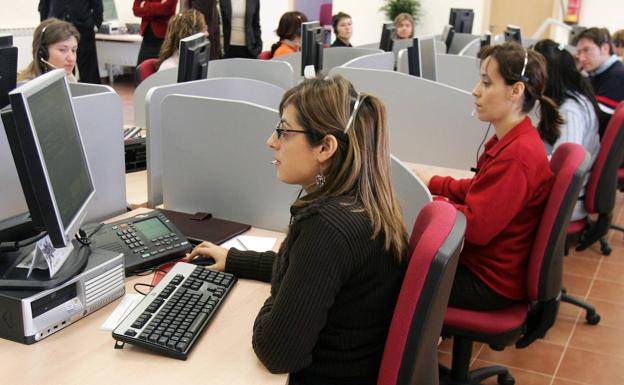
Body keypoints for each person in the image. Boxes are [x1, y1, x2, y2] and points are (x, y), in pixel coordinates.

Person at [187, 76, 408, 384]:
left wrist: (278, 298)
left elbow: (278, 353)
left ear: (325, 147)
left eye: (284, 131)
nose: (271, 141)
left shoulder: (327, 228)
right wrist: (236, 260)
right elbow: (311, 274)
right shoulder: (361, 204)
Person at [415, 43, 561, 310]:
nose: (475, 90)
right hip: (481, 265)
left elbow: (477, 229)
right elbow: (480, 189)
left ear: (515, 91)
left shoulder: (518, 157)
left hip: (487, 282)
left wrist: (429, 204)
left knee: (388, 276)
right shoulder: (512, 140)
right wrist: (433, 183)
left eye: (486, 82)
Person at [534, 39, 600, 221]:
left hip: (567, 203)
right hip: (569, 194)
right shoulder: (575, 96)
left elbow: (565, 168)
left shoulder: (570, 112)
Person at [574, 27, 624, 136]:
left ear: (605, 48)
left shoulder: (618, 76)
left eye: (587, 50)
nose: (581, 58)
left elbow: (595, 119)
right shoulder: (595, 74)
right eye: (579, 52)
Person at [38, 0, 102, 84]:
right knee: (60, 66)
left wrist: (96, 23)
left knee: (89, 68)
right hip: (56, 29)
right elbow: (43, 5)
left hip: (84, 28)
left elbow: (97, 4)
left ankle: (92, 94)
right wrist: (45, 25)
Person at [18, 18, 80, 83]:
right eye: (62, 50)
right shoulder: (27, 87)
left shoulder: (69, 78)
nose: (71, 58)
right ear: (42, 53)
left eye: (73, 50)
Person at [133, 0, 178, 66]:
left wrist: (145, 5)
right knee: (141, 71)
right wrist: (157, 11)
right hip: (146, 40)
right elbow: (135, 10)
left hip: (163, 40)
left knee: (161, 72)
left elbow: (166, 8)